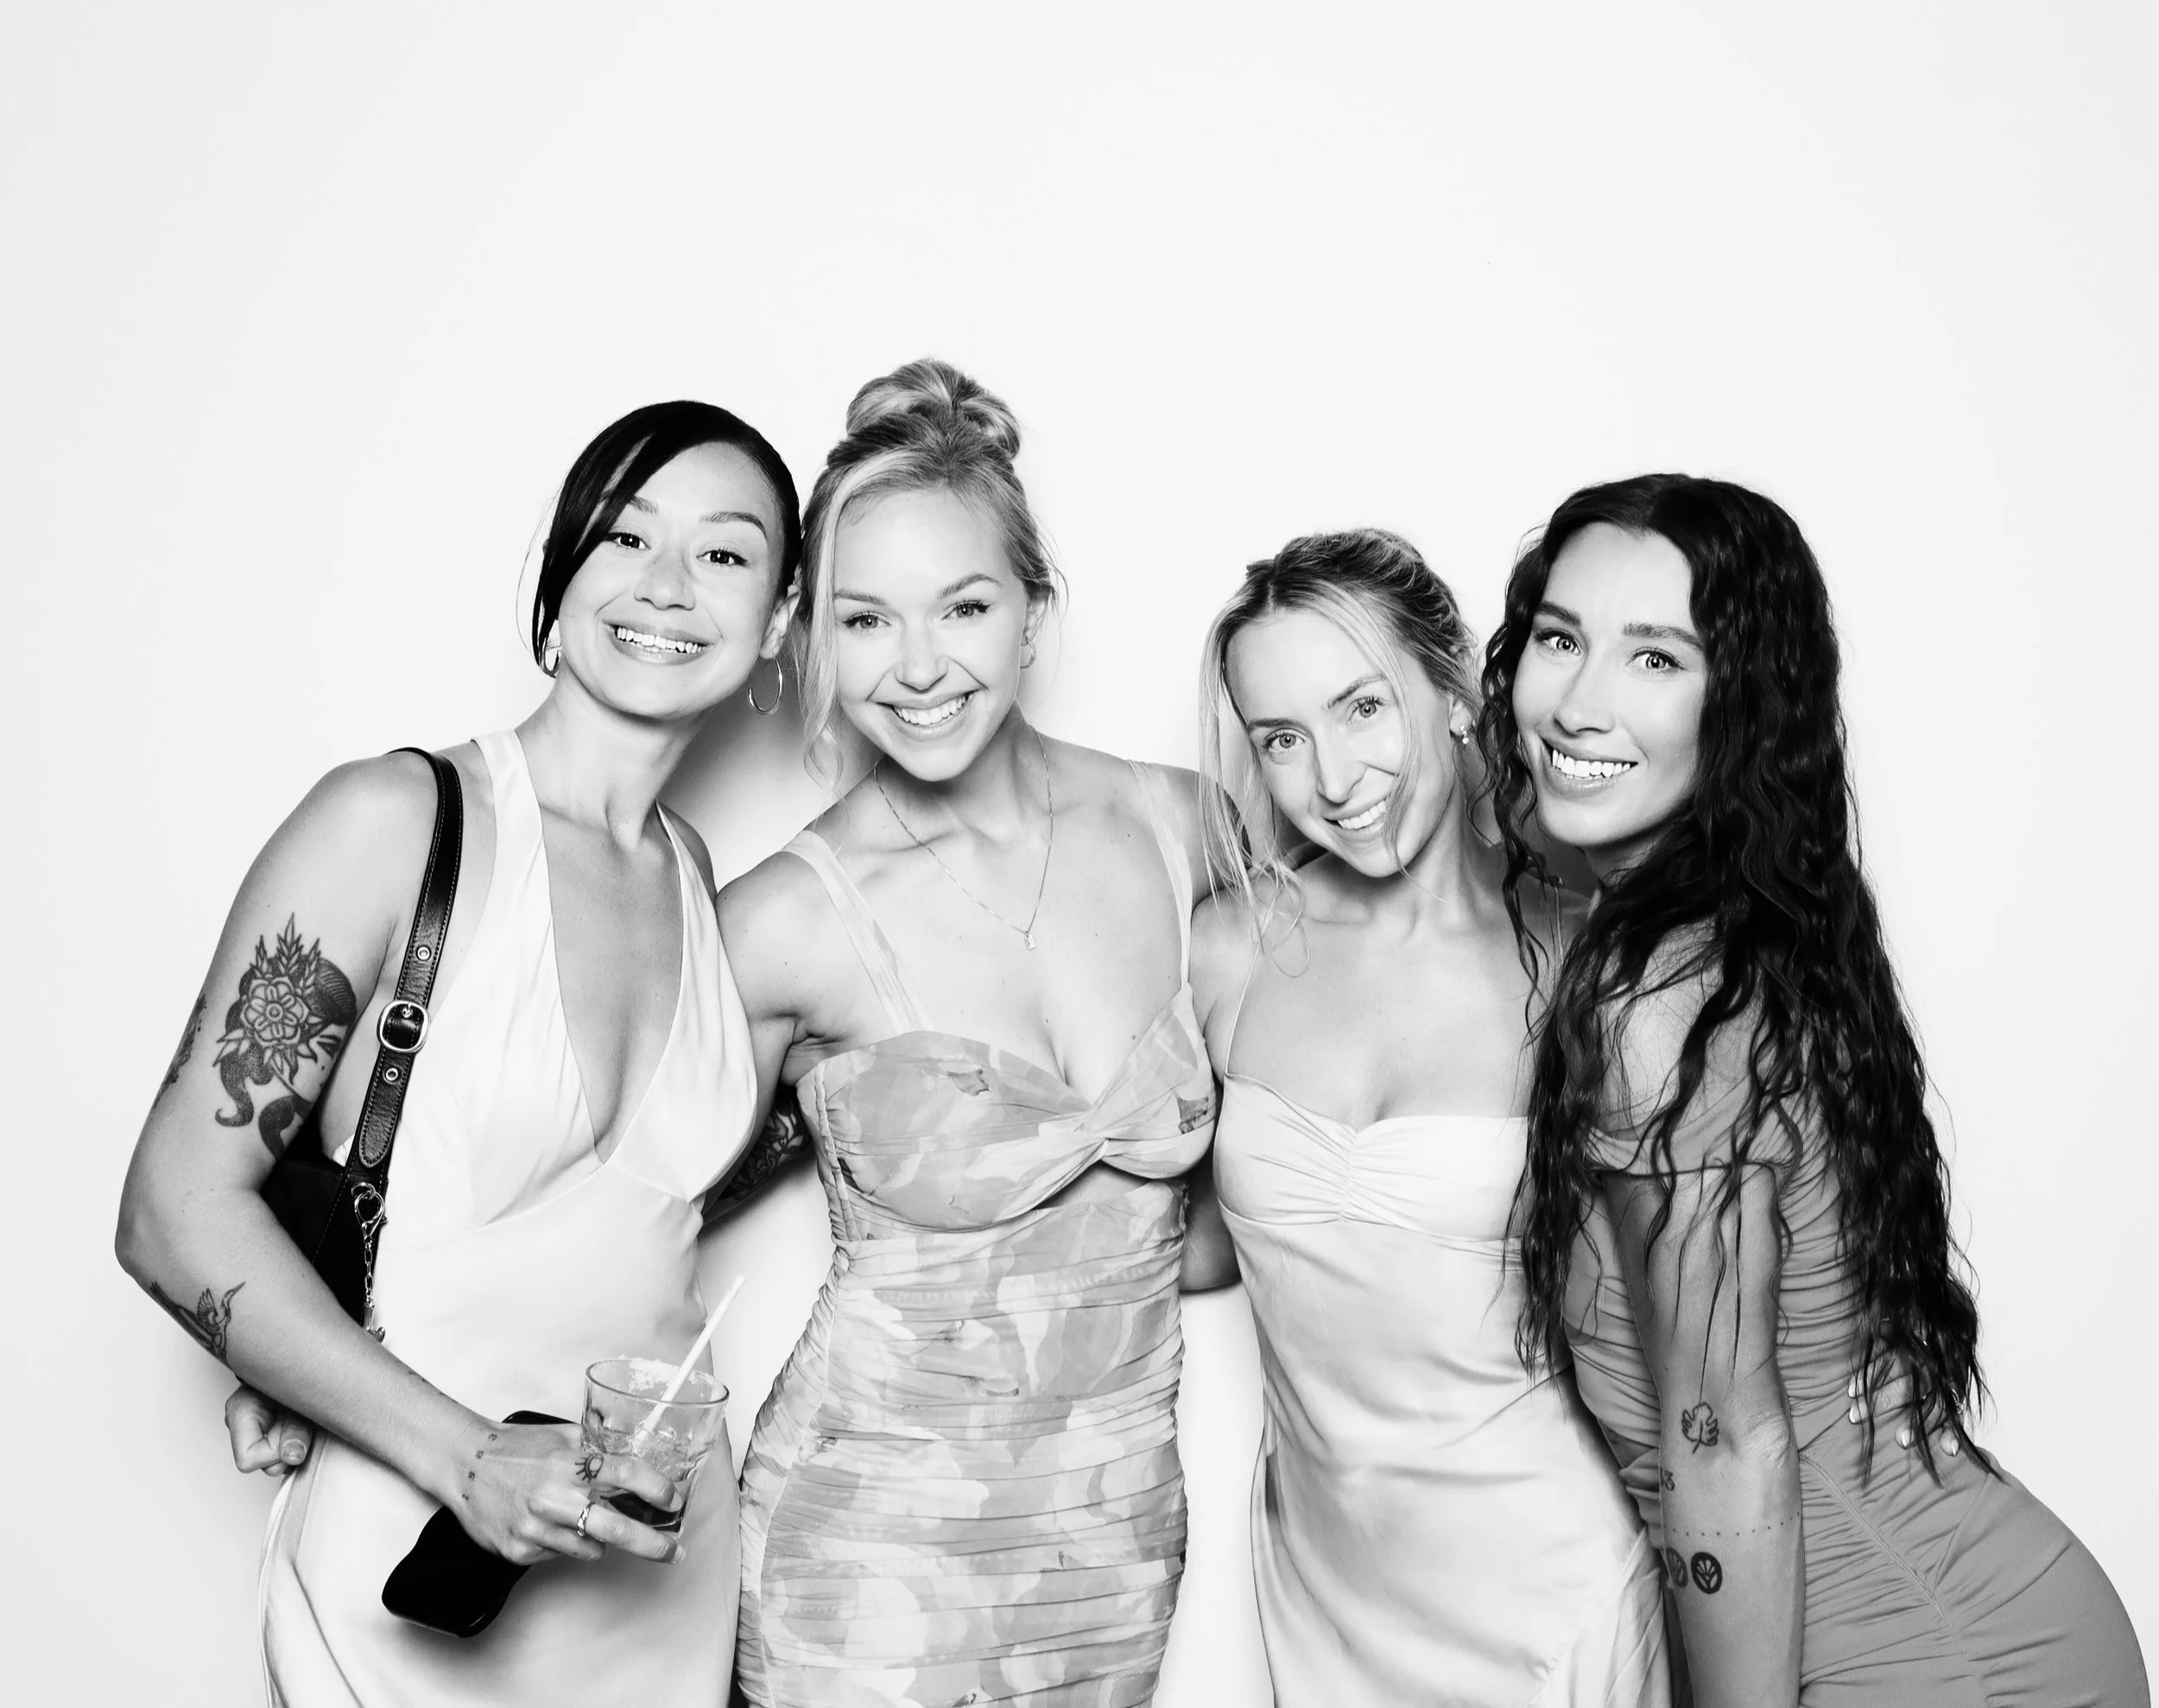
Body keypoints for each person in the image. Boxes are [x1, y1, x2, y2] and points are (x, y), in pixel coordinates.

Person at [114, 400, 801, 1706]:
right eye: (626, 537)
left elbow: (638, 1205)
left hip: (656, 1576)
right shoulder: (394, 824)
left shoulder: (700, 879)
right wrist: (464, 1452)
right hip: (408, 1551)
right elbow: (171, 1208)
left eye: (724, 554)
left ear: (774, 623)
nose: (665, 584)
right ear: (561, 573)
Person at [1489, 474, 2150, 1706]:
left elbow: (1725, 1444)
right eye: (1560, 638)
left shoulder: (1660, 1004)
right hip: (1949, 1617)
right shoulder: (1738, 936)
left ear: (1738, 702)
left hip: (1921, 1659)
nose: (1579, 702)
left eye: (1656, 657)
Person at [716, 357, 1215, 1706]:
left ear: (1034, 615)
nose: (921, 666)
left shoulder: (1189, 830)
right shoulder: (783, 922)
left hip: (1111, 1548)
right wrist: (368, 1369)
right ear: (813, 634)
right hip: (863, 1551)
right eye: (866, 618)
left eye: (966, 606)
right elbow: (617, 1206)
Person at [1180, 529, 1670, 1705]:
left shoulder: (1582, 965)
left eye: (1363, 708)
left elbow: (1682, 1316)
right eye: (1282, 740)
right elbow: (1201, 1246)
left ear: (1452, 686)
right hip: (1325, 1583)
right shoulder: (1234, 947)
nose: (1335, 780)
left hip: (1547, 1580)